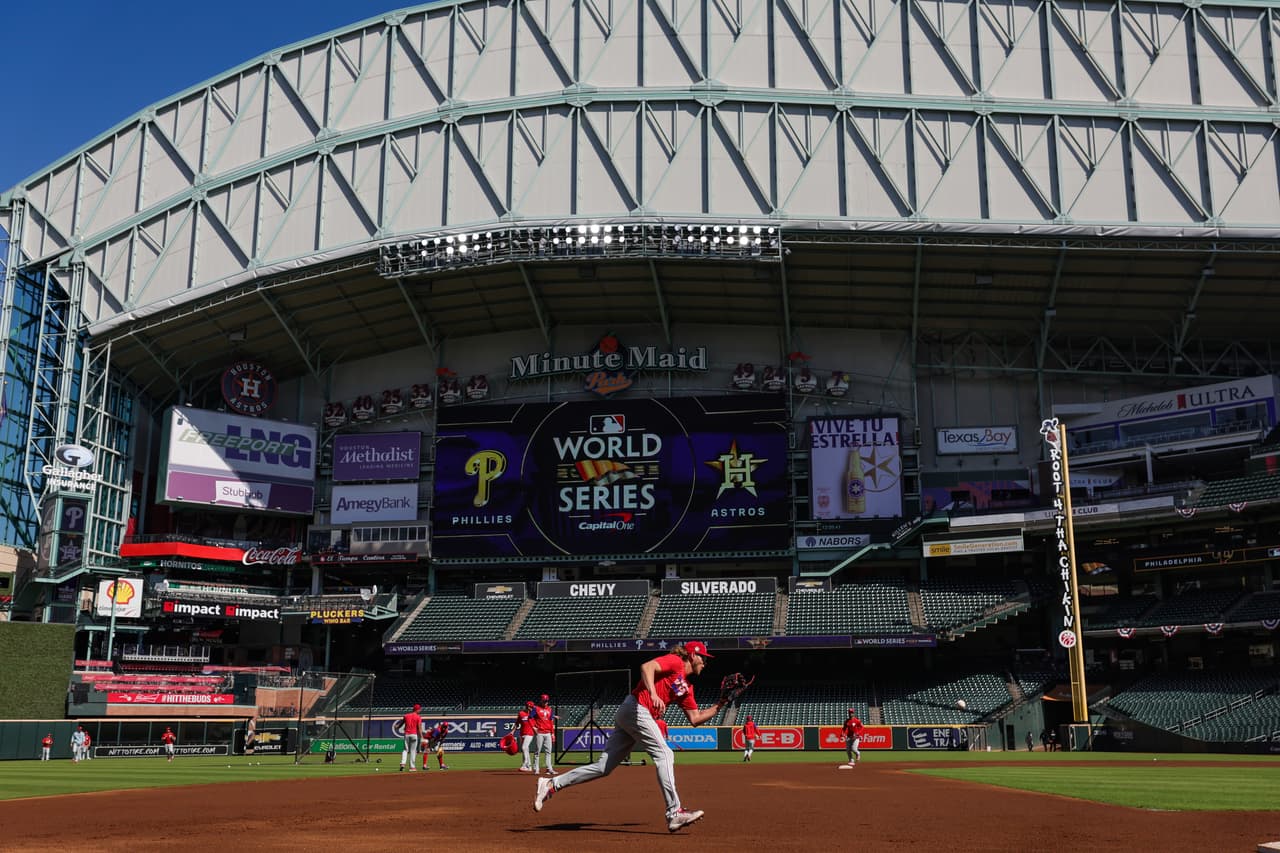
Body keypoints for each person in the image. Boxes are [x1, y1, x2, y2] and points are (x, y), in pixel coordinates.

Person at [533, 640, 721, 833]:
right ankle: (675, 813)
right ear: (692, 655)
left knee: (603, 767)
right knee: (665, 754)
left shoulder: (687, 688)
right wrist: (653, 693)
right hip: (638, 707)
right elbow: (647, 667)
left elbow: (695, 718)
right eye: (703, 658)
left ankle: (551, 783)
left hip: (632, 712)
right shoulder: (675, 662)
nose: (705, 663)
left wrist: (721, 704)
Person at [532, 693, 556, 775]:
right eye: (544, 701)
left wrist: (553, 733)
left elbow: (551, 721)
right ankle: (536, 769)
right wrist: (533, 727)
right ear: (541, 701)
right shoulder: (536, 708)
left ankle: (549, 768)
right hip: (540, 732)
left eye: (547, 701)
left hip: (548, 733)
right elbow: (530, 718)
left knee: (548, 751)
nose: (546, 702)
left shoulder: (550, 709)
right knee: (537, 751)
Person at [400, 704, 424, 771]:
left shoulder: (406, 716)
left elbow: (400, 724)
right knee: (413, 751)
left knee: (405, 749)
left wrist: (397, 727)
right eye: (420, 709)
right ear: (418, 709)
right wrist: (422, 737)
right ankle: (412, 767)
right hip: (414, 735)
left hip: (407, 734)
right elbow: (419, 728)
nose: (420, 710)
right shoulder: (418, 717)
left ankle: (403, 763)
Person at [517, 701, 536, 771]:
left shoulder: (533, 714)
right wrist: (512, 731)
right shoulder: (521, 713)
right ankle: (529, 766)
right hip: (522, 733)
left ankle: (525, 764)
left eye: (531, 707)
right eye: (530, 706)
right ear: (526, 706)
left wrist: (553, 716)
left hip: (530, 733)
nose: (530, 708)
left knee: (524, 747)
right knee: (526, 750)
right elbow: (517, 723)